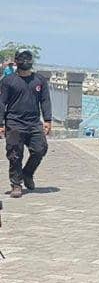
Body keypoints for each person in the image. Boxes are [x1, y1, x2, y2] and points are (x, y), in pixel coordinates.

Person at [0, 50, 51, 198]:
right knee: (15, 154)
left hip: (34, 122)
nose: (25, 62)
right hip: (14, 122)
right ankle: (16, 184)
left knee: (40, 149)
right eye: (22, 59)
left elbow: (45, 101)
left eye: (28, 59)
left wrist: (47, 120)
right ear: (16, 62)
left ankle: (27, 173)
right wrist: (1, 123)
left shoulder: (40, 80)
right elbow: (1, 103)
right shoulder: (8, 81)